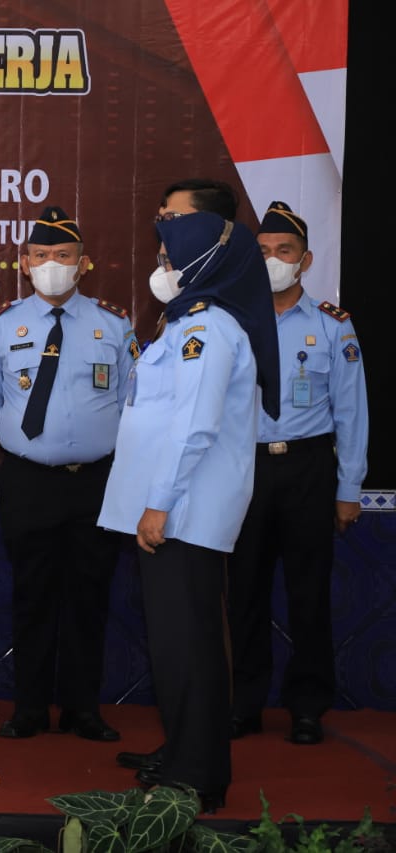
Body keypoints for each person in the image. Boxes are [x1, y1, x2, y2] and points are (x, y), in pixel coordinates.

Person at [98, 209, 281, 812]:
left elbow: (195, 427)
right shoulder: (182, 325)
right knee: (173, 644)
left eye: (170, 259)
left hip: (185, 509)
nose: (162, 268)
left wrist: (159, 504)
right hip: (171, 508)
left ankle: (200, 774)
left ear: (201, 264)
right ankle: (180, 753)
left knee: (193, 646)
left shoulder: (212, 329)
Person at [0, 206, 135, 742]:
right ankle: (31, 709)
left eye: (64, 256)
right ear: (24, 263)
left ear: (84, 265)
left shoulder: (115, 326)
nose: (52, 265)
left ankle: (84, 709)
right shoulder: (2, 327)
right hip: (28, 481)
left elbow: (137, 407)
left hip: (96, 483)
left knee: (90, 596)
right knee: (32, 595)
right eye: (42, 256)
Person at [227, 202, 368, 746]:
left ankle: (307, 707)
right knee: (244, 593)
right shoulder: (233, 320)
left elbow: (353, 411)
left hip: (309, 468)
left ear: (305, 260)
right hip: (245, 467)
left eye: (283, 251)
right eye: (262, 251)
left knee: (308, 594)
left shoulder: (333, 325)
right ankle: (244, 704)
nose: (273, 261)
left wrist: (348, 487)